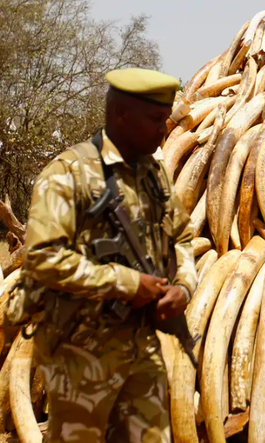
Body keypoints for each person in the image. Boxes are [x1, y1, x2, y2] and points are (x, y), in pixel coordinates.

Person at [20, 68, 197, 443]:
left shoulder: (155, 176)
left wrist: (183, 287)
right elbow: (42, 257)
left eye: (165, 119)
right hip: (79, 352)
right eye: (154, 120)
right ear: (120, 114)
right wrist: (126, 282)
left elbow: (183, 237)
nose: (163, 129)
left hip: (141, 347)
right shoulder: (69, 174)